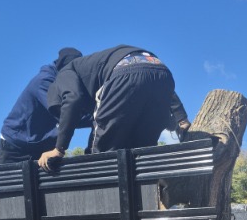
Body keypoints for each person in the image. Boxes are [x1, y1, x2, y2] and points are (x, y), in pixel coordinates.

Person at [39, 45, 191, 171]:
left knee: (99, 156)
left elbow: (72, 99)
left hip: (124, 74)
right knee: (142, 152)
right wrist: (181, 117)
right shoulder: (93, 65)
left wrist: (59, 149)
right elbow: (147, 73)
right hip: (160, 70)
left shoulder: (65, 72)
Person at [0, 48, 83, 164]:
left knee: (49, 181)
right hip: (16, 146)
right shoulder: (44, 82)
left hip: (42, 145)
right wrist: (97, 117)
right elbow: (66, 113)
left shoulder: (66, 82)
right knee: (9, 182)